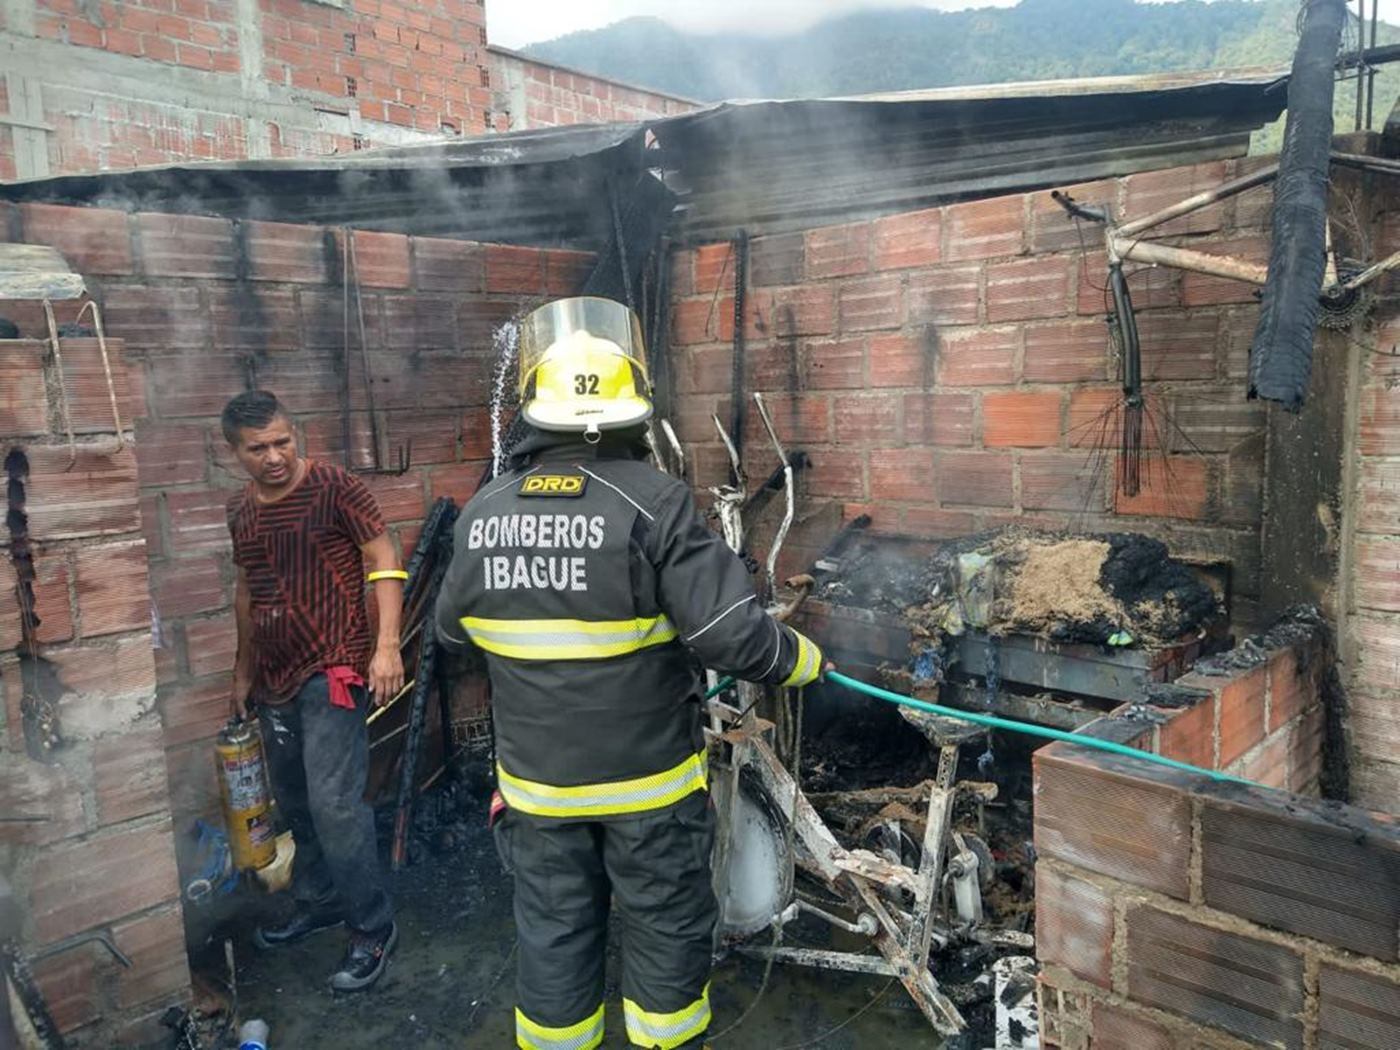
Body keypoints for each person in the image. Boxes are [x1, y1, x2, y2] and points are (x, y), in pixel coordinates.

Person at [434, 298, 825, 1050]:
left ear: (535, 410)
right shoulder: (653, 502)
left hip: (538, 794)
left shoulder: (481, 514)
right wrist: (805, 661)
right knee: (667, 940)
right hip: (648, 793)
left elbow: (454, 633)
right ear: (632, 414)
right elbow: (731, 638)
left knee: (552, 940)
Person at [223, 390, 406, 992]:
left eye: (282, 441)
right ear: (234, 452)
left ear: (293, 434)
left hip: (334, 670)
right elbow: (249, 593)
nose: (274, 456)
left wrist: (386, 647)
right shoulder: (241, 511)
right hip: (275, 677)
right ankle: (321, 898)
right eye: (258, 448)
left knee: (334, 805)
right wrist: (242, 673)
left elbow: (383, 557)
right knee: (296, 802)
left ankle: (373, 927)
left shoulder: (334, 487)